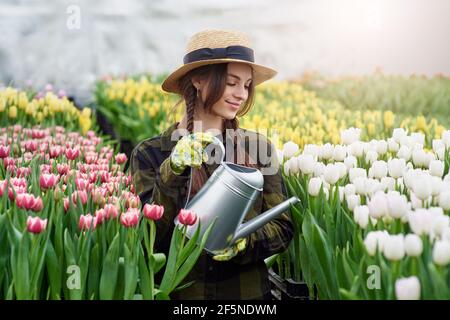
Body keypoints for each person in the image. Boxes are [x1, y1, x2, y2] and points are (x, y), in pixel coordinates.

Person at [129, 29, 294, 300]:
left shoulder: (257, 148)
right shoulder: (150, 154)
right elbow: (148, 238)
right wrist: (173, 171)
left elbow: (283, 228)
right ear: (197, 79)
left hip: (247, 298)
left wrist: (244, 242)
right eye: (231, 82)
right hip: (181, 298)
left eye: (247, 85)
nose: (241, 94)